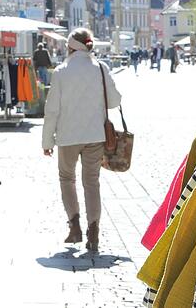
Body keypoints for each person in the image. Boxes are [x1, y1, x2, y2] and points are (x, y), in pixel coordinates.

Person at [42, 28, 122, 251]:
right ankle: (94, 231)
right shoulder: (100, 68)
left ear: (70, 47)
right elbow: (115, 101)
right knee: (92, 182)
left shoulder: (61, 72)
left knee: (67, 179)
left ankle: (75, 226)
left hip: (67, 136)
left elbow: (52, 110)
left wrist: (47, 141)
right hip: (95, 135)